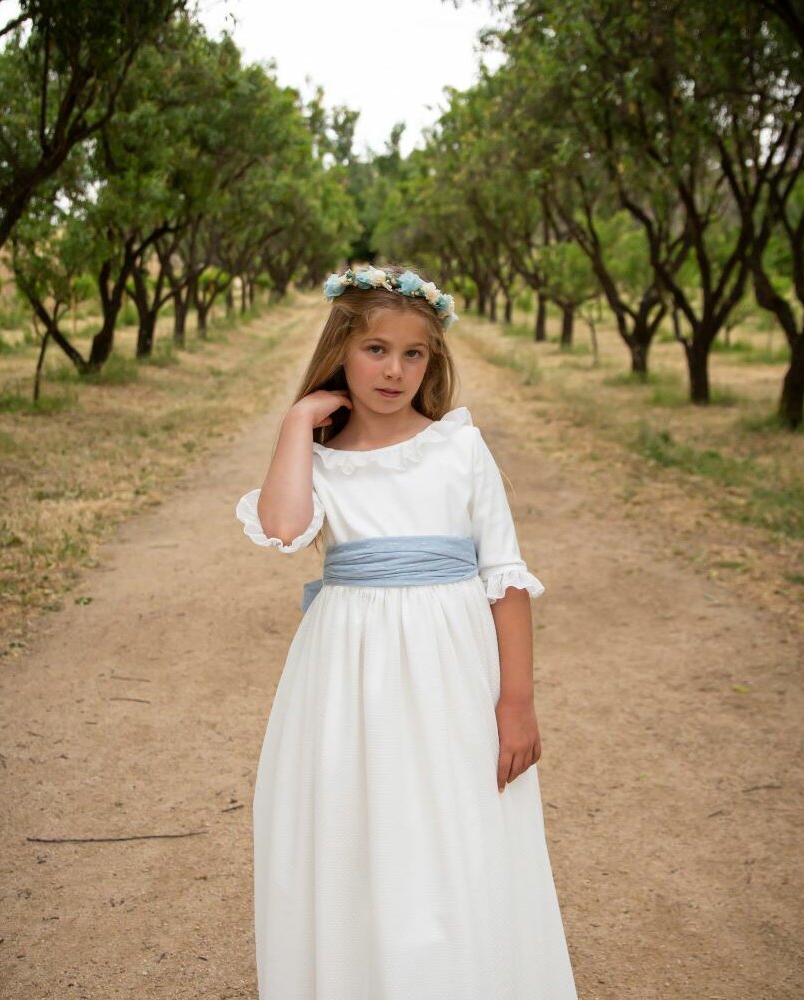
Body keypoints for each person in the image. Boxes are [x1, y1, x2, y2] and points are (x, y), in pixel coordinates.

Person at [235, 263, 579, 1000]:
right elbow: (283, 525)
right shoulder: (321, 460)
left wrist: (516, 702)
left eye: (413, 353)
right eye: (375, 350)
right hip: (346, 680)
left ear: (434, 360)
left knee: (450, 836)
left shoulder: (458, 448)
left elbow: (506, 579)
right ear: (341, 353)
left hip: (452, 674)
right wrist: (299, 421)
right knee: (359, 833)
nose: (395, 370)